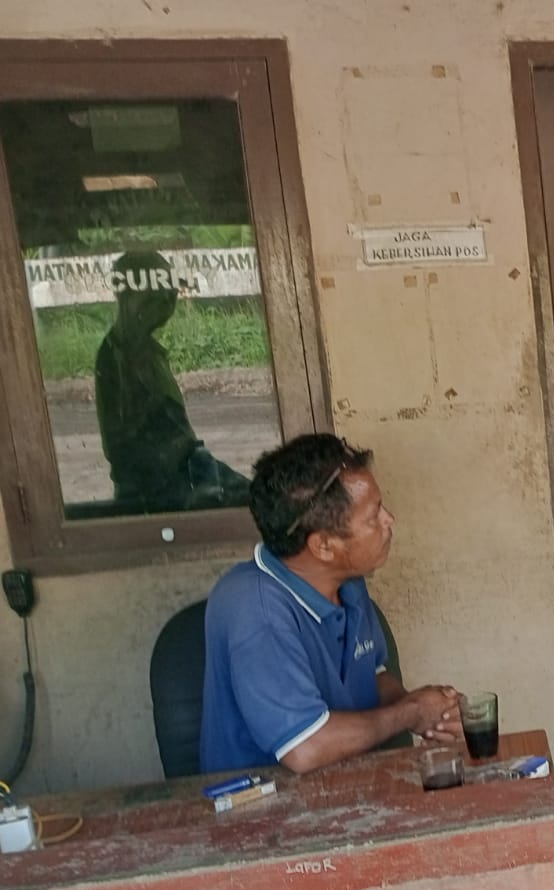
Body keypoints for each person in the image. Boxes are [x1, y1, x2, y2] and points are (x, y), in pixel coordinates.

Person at [199, 434, 461, 775]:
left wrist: (431, 715)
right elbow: (305, 749)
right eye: (374, 515)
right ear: (324, 546)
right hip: (266, 801)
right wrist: (410, 712)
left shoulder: (346, 581)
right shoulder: (255, 609)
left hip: (347, 782)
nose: (389, 519)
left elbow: (371, 674)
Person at [94, 249, 250, 513]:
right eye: (157, 295)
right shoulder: (117, 358)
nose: (168, 303)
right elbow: (123, 447)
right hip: (155, 491)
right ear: (127, 297)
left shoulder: (147, 352)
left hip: (183, 472)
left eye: (172, 293)